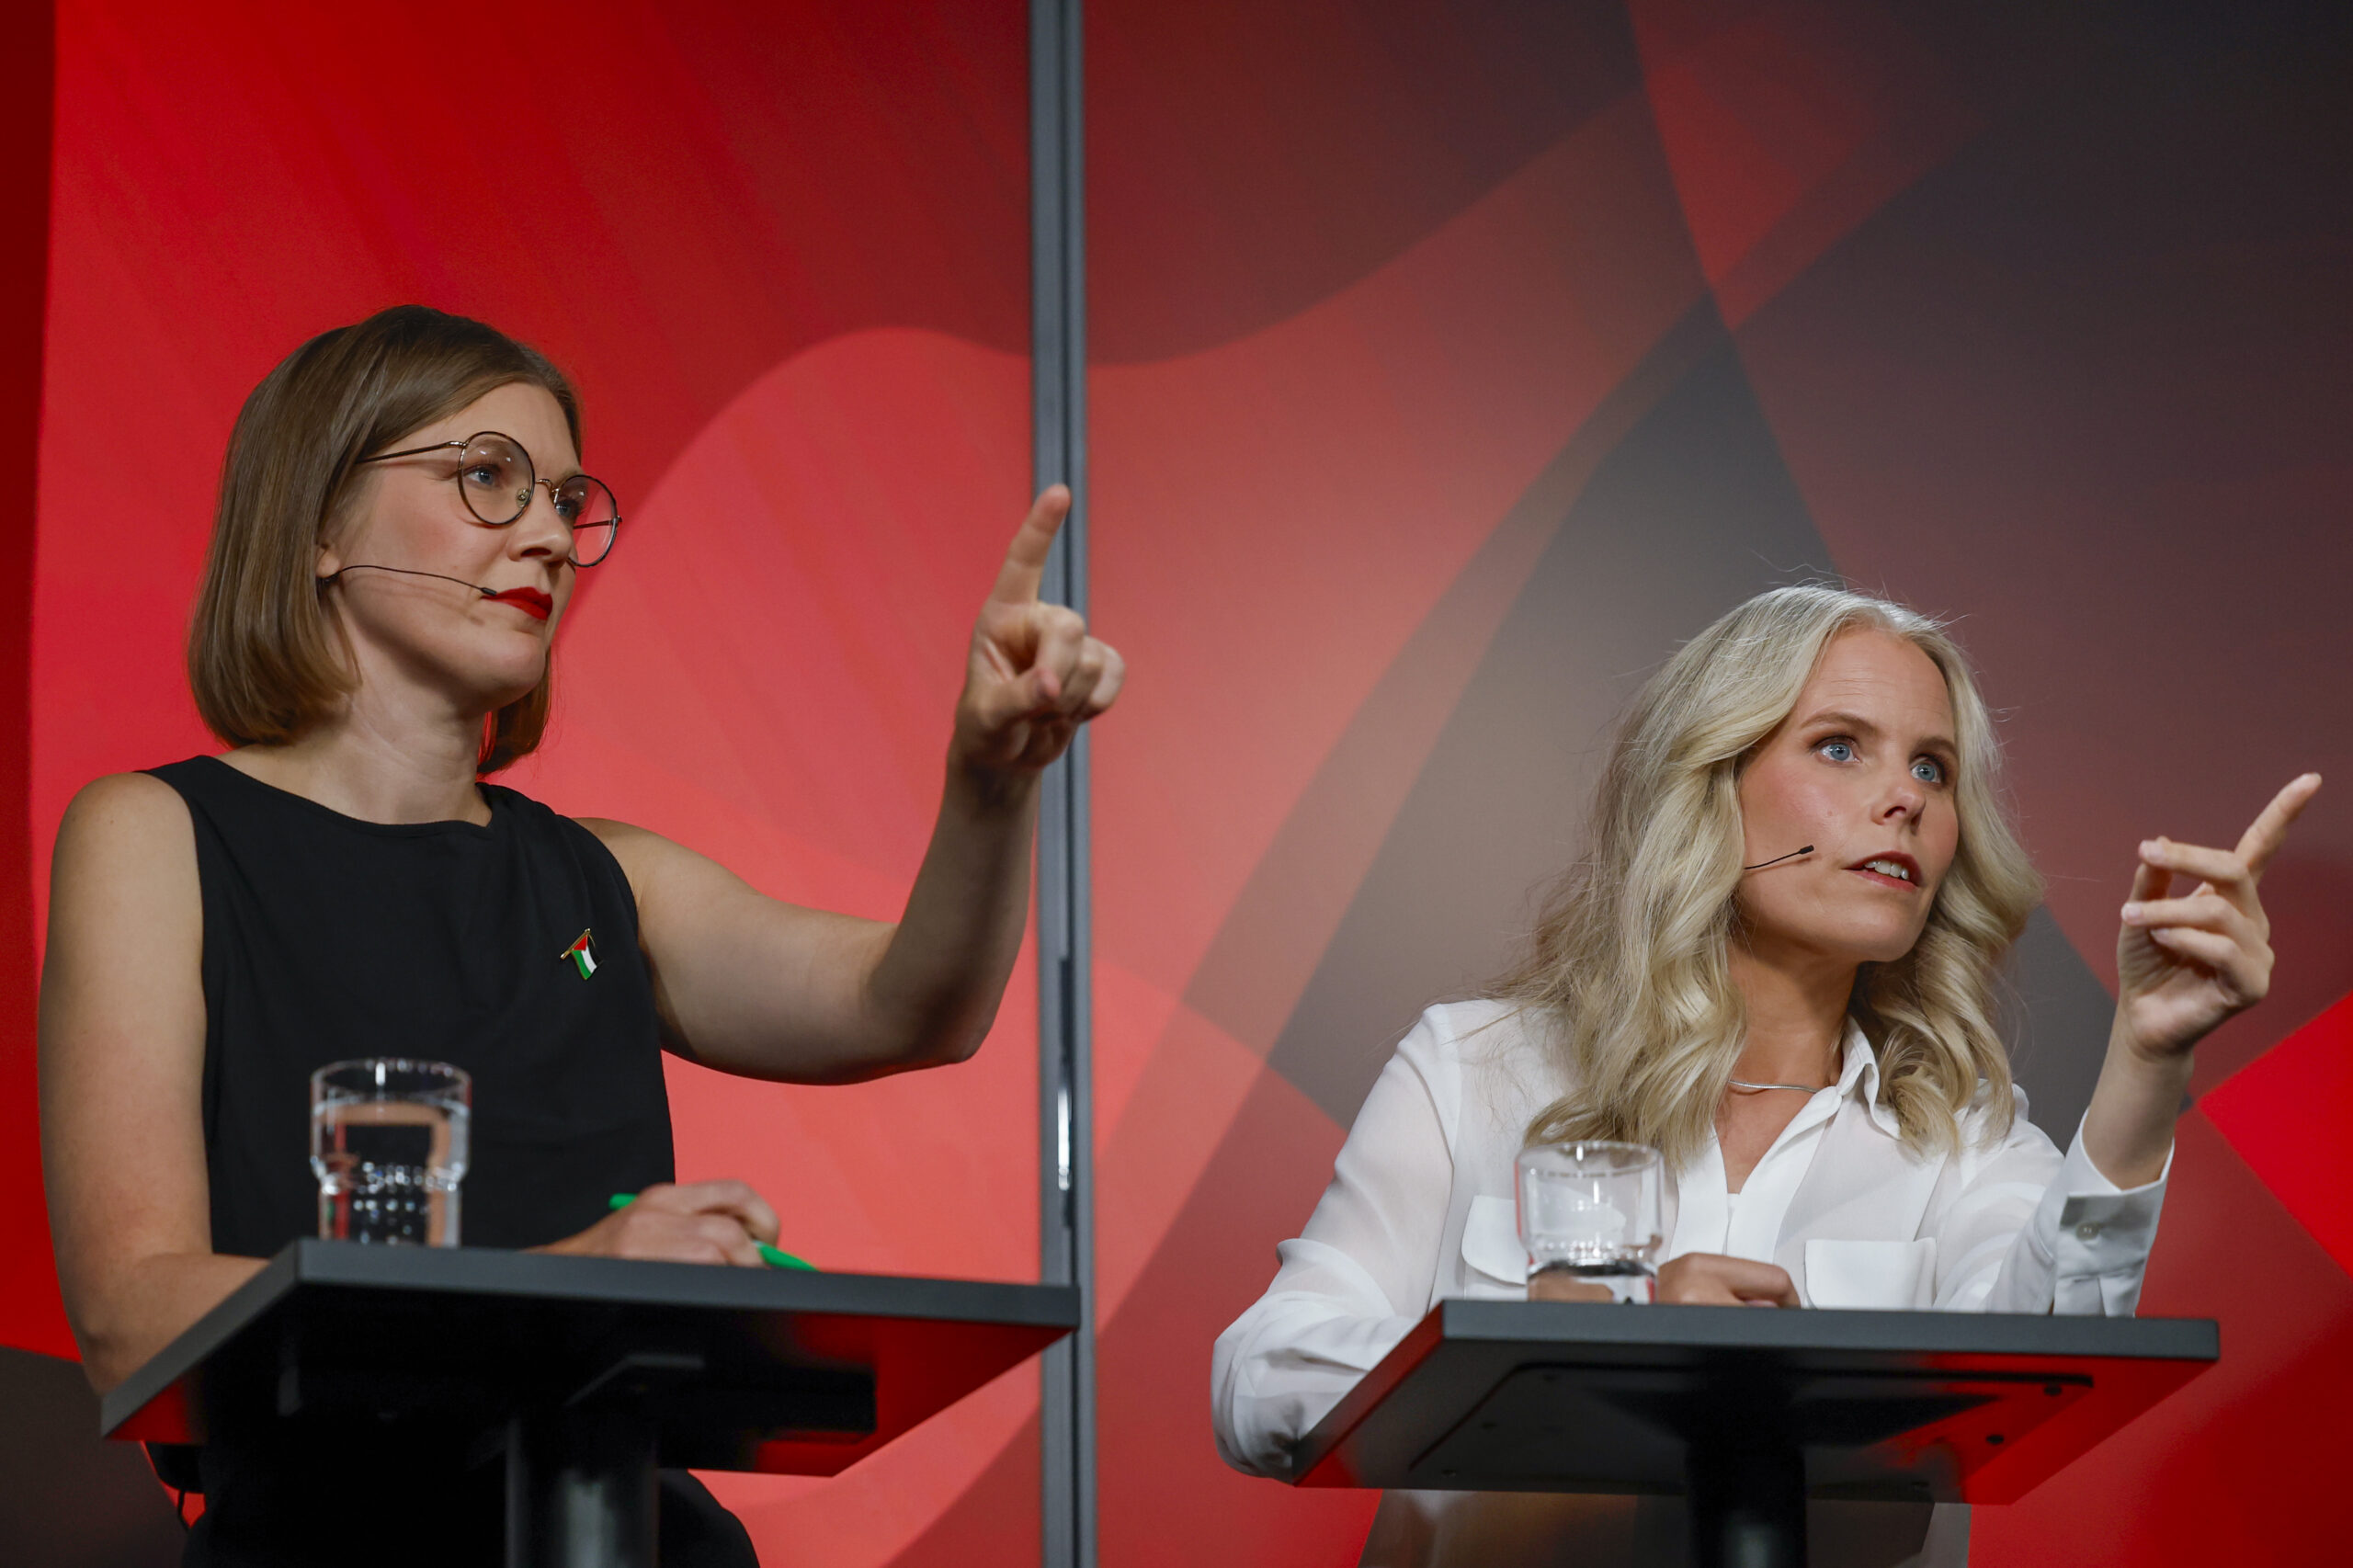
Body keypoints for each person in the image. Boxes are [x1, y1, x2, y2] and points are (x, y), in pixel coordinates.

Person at [38, 305, 1122, 1565]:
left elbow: (911, 1003)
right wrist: (573, 1278)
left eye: (564, 498)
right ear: (322, 522)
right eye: (488, 476)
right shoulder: (153, 835)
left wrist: (990, 779)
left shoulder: (609, 876)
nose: (552, 535)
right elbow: (132, 1311)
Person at [1211, 585, 2316, 1568]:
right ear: (1710, 781)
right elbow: (1262, 1379)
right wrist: (1552, 1358)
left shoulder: (1962, 1138)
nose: (1904, 798)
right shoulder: (1472, 1067)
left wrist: (2148, 1055)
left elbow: (2053, 1347)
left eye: (1931, 766)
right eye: (1839, 746)